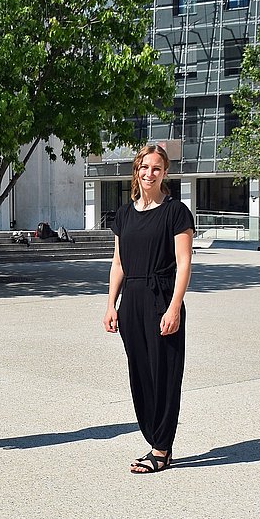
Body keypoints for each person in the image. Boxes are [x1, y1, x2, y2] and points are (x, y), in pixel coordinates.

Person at [103, 144, 194, 474]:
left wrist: (174, 308)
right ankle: (153, 438)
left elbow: (184, 264)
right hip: (132, 302)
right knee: (140, 373)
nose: (149, 173)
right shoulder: (124, 214)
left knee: (164, 374)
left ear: (165, 172)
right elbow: (118, 263)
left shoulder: (176, 212)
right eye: (144, 167)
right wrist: (111, 304)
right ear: (136, 170)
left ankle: (161, 447)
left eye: (156, 168)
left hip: (162, 297)